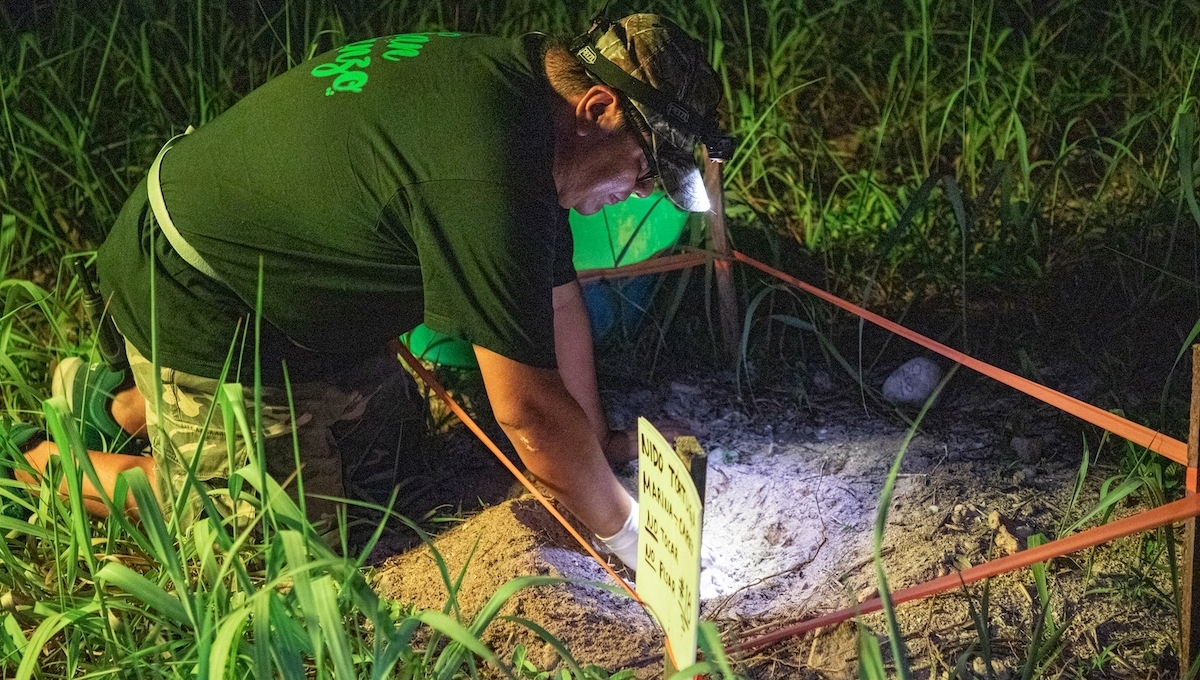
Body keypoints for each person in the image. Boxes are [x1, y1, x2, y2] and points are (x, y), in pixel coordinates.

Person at [14, 12, 732, 568]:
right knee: (293, 558)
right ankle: (40, 461)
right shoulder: (489, 168)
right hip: (206, 289)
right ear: (597, 108)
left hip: (301, 287)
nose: (638, 196)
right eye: (642, 171)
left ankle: (123, 401)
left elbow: (556, 302)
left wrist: (598, 446)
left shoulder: (524, 105)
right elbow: (530, 417)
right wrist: (632, 538)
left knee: (387, 483)